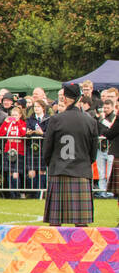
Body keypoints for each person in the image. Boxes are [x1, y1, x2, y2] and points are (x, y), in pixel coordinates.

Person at [46, 84, 100, 227]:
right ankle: (82, 249)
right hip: (81, 171)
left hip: (59, 171)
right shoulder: (90, 121)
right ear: (80, 98)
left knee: (55, 223)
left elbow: (47, 149)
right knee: (81, 224)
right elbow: (93, 153)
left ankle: (53, 249)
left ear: (63, 98)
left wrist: (51, 165)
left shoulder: (55, 120)